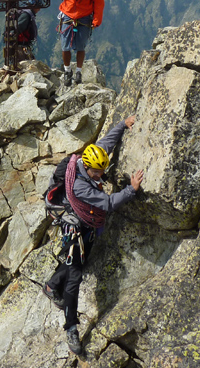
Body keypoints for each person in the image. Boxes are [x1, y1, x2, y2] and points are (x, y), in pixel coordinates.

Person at [42, 115, 143, 355]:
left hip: (84, 224)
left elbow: (106, 145)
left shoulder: (87, 160)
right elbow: (107, 203)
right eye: (97, 172)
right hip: (76, 226)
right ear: (87, 168)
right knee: (75, 276)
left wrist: (122, 125)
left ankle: (51, 286)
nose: (101, 175)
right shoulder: (80, 186)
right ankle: (71, 329)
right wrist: (132, 190)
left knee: (77, 261)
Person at [45, 0, 105, 86]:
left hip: (84, 17)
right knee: (65, 47)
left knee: (80, 47)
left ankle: (78, 72)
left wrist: (97, 19)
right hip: (68, 15)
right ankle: (67, 71)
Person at [11, 0, 41, 64]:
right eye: (38, 7)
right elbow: (18, 27)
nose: (39, 9)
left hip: (22, 44)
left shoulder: (28, 14)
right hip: (20, 46)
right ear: (34, 6)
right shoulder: (26, 15)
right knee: (25, 64)